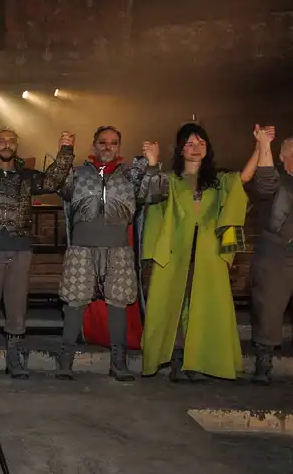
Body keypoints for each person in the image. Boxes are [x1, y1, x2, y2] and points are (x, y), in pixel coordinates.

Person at [56, 126, 169, 381]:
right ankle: (65, 361)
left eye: (113, 142)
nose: (108, 147)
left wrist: (152, 164)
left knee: (118, 304)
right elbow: (55, 184)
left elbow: (155, 194)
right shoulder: (77, 173)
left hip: (118, 248)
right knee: (74, 303)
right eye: (103, 142)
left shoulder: (130, 174)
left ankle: (118, 363)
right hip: (82, 248)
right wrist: (64, 153)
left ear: (119, 147)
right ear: (94, 145)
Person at [141, 122, 251, 381]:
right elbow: (150, 196)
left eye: (201, 143)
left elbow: (243, 179)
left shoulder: (218, 182)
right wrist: (153, 162)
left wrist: (262, 146)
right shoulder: (169, 180)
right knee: (173, 306)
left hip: (209, 255)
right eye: (189, 143)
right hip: (174, 254)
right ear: (180, 149)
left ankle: (200, 363)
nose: (195, 148)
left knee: (205, 307)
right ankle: (177, 360)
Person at [0, 128, 75, 378]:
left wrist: (66, 150)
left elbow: (53, 181)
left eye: (11, 141)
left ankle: (14, 359)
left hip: (21, 250)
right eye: (1, 141)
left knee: (17, 305)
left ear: (17, 145)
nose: (6, 144)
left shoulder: (28, 177)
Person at [249, 127, 288, 385]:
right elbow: (264, 179)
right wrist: (264, 144)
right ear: (283, 157)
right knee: (268, 308)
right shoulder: (277, 182)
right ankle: (264, 360)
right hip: (276, 253)